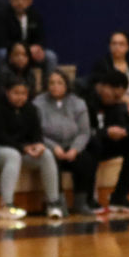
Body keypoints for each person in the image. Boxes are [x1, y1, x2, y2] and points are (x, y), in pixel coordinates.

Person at [0, 75, 63, 221]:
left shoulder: (31, 109)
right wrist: (23, 148)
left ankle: (53, 203)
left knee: (47, 154)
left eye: (24, 94)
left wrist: (38, 145)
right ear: (7, 92)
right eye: (16, 93)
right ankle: (6, 206)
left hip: (20, 151)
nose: (20, 97)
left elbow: (37, 134)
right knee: (13, 154)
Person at [33, 69, 98, 216]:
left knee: (85, 159)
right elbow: (36, 133)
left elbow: (84, 132)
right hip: (49, 146)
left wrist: (75, 149)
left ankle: (81, 202)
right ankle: (58, 202)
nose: (55, 86)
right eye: (51, 83)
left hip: (71, 145)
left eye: (59, 83)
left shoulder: (78, 103)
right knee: (50, 159)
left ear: (67, 85)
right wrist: (53, 147)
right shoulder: (38, 104)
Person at [84, 70, 129, 213]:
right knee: (94, 143)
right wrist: (105, 132)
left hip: (104, 143)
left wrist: (127, 130)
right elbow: (82, 132)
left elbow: (126, 125)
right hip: (84, 145)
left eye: (120, 97)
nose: (118, 100)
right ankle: (89, 198)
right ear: (104, 87)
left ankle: (120, 196)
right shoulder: (85, 99)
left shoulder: (116, 104)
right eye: (115, 95)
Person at [0, 0, 58, 79]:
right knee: (2, 54)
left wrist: (38, 48)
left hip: (28, 53)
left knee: (50, 56)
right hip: (5, 51)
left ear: (30, 1)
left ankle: (48, 89)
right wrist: (25, 50)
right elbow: (1, 42)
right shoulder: (0, 15)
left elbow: (41, 38)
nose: (20, 2)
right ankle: (4, 86)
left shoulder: (34, 15)